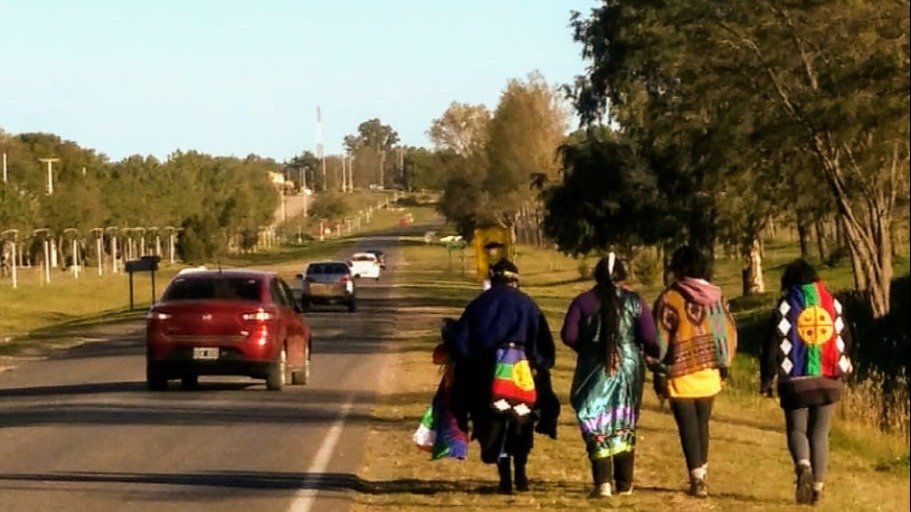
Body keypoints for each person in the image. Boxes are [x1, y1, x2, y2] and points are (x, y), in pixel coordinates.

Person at [445, 259, 559, 494]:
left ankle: (505, 478)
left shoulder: (479, 304)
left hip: (487, 375)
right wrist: (538, 364)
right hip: (522, 375)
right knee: (522, 420)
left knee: (493, 422)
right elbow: (544, 347)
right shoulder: (528, 304)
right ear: (515, 280)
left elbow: (462, 343)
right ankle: (521, 474)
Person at [560, 253, 658, 498]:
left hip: (594, 366)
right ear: (622, 276)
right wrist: (650, 353)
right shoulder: (635, 302)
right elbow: (650, 339)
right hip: (628, 367)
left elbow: (568, 336)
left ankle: (602, 483)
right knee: (624, 420)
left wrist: (588, 349)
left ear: (597, 275)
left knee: (595, 420)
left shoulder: (583, 302)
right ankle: (624, 484)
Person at [760, 259, 852, 505]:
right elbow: (846, 339)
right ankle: (818, 488)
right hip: (828, 378)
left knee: (797, 429)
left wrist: (766, 377)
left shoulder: (786, 304)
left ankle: (803, 466)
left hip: (796, 380)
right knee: (820, 433)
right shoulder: (832, 302)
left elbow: (771, 345)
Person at [651, 246, 737, 498]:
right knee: (702, 423)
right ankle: (702, 473)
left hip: (680, 373)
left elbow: (660, 339)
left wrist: (658, 369)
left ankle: (697, 478)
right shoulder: (718, 297)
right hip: (710, 372)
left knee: (687, 426)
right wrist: (724, 364)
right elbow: (727, 333)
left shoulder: (669, 299)